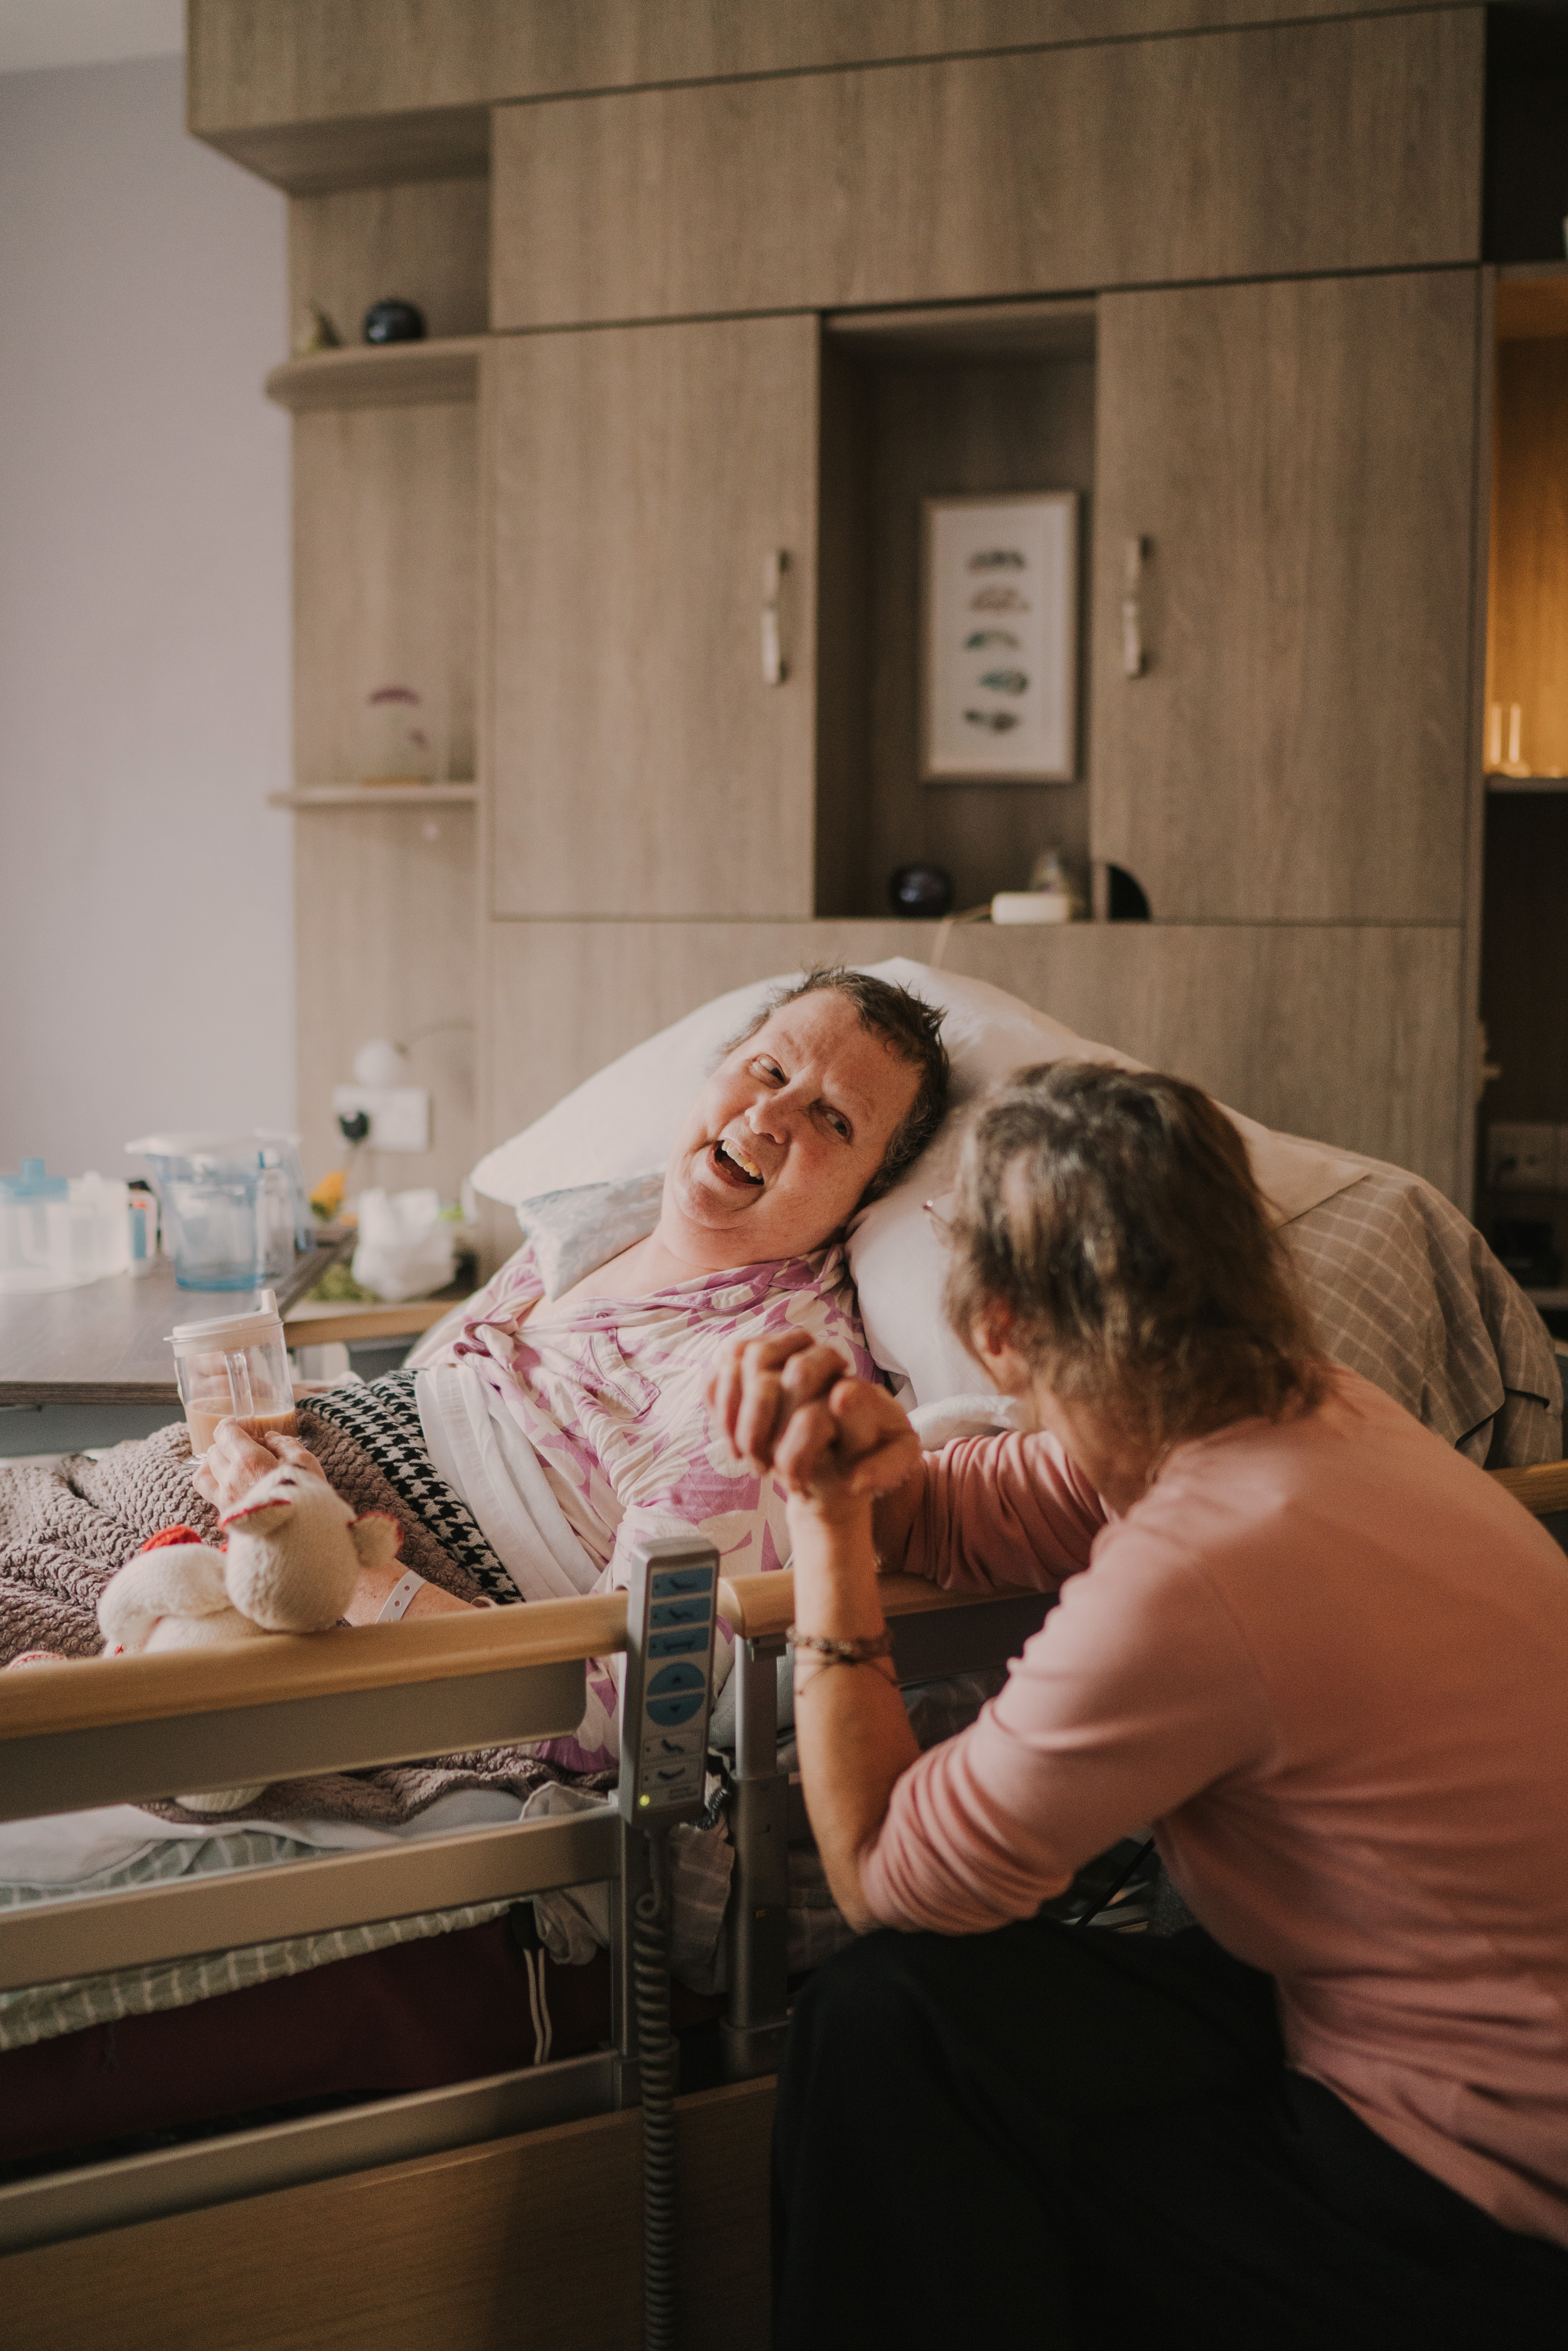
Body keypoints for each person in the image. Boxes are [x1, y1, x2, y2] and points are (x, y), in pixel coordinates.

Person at [711, 1062, 1568, 2349]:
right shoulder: (1312, 1422)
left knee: (882, 2023)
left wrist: (826, 1529)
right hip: (1428, 2051)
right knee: (955, 2029)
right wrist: (857, 1448)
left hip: (1468, 2208)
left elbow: (885, 1868)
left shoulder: (1204, 1564)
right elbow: (965, 1507)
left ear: (995, 1331)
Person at [193, 968, 948, 1759]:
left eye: (831, 1120)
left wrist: (336, 1564)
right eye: (767, 1070)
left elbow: (620, 1710)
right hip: (271, 1503)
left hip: (335, 1571)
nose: (767, 1115)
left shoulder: (774, 1368)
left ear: (865, 1196)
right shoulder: (600, 1223)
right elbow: (437, 1389)